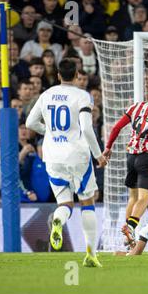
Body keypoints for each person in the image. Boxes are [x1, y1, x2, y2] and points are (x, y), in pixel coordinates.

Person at [25, 58, 108, 267]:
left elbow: (30, 123)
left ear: (59, 75)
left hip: (52, 156)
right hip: (77, 155)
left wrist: (50, 132)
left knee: (65, 203)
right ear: (77, 75)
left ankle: (58, 220)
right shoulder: (82, 96)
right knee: (87, 201)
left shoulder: (46, 94)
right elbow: (87, 129)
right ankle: (90, 254)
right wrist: (98, 155)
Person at [104, 80, 148, 248]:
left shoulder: (136, 107)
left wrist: (108, 147)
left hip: (131, 156)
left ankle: (128, 238)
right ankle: (130, 229)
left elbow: (116, 128)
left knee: (132, 198)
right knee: (144, 199)